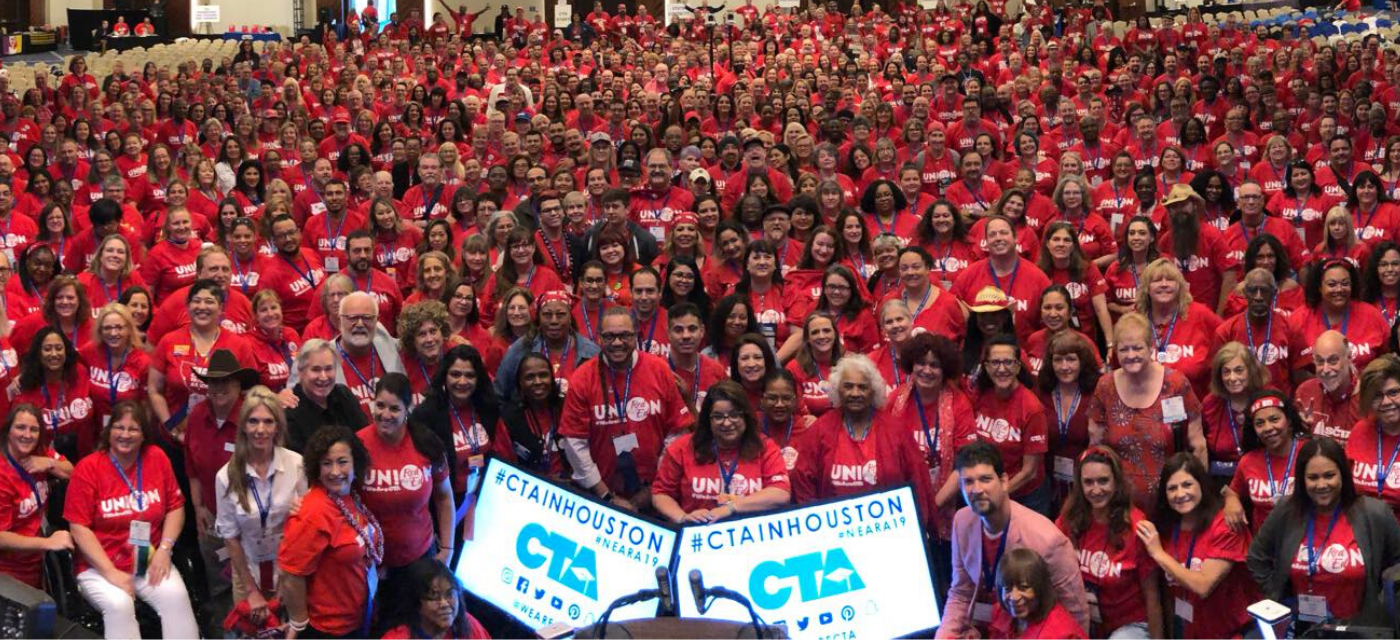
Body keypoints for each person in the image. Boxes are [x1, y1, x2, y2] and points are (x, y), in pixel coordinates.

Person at [64, 401, 200, 640]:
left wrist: (165, 549)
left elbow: (176, 507)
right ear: (109, 431)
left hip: (147, 560)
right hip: (98, 566)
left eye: (133, 429)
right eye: (119, 427)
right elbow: (79, 527)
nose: (125, 435)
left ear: (144, 434)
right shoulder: (88, 468)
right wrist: (110, 572)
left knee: (176, 597)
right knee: (120, 605)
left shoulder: (156, 457)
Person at [938, 441, 1089, 639]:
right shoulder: (962, 521)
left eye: (985, 479)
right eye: (968, 482)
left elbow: (1075, 613)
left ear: (1004, 482)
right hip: (987, 629)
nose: (976, 489)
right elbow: (960, 592)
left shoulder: (1047, 540)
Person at [1246, 436, 1400, 630]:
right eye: (1313, 478)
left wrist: (1381, 606)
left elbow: (1397, 567)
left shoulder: (1375, 513)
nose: (1321, 485)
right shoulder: (1287, 510)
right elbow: (1255, 557)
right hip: (1303, 628)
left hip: (1361, 629)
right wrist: (1277, 594)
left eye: (1329, 475)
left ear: (1343, 474)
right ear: (1302, 480)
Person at [560, 307, 693, 511]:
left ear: (636, 335)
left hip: (658, 494)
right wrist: (604, 495)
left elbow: (677, 433)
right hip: (598, 497)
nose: (617, 343)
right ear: (598, 338)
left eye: (624, 335)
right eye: (609, 336)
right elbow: (575, 443)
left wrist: (656, 487)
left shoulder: (659, 370)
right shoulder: (582, 378)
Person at [884, 332, 978, 595]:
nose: (926, 370)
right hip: (904, 508)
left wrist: (930, 509)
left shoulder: (959, 404)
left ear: (945, 369)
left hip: (945, 509)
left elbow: (964, 463)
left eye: (934, 365)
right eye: (921, 363)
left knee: (941, 582)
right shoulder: (895, 400)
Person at [1088, 313, 1206, 512]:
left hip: (1173, 501)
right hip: (1119, 504)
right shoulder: (1105, 386)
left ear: (1151, 348)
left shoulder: (1175, 384)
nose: (1131, 355)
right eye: (1124, 349)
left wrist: (1200, 497)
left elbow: (1198, 445)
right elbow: (1096, 446)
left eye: (1137, 348)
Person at [1133, 452, 1259, 639]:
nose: (1180, 494)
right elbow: (1169, 593)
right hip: (1187, 630)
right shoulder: (1166, 529)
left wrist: (1158, 553)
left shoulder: (1225, 525)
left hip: (1231, 633)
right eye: (1172, 488)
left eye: (1187, 484)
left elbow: (1203, 586)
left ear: (1201, 484)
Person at [791, 354, 935, 515]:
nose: (855, 393)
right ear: (837, 389)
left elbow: (918, 482)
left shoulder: (896, 431)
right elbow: (803, 482)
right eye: (848, 386)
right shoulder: (819, 430)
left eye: (862, 387)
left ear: (873, 391)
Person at [214, 386, 307, 631]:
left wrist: (287, 582)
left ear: (278, 426)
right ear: (243, 426)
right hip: (247, 570)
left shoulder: (297, 465)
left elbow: (306, 525)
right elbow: (230, 538)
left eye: (268, 422)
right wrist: (251, 591)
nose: (261, 430)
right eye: (253, 422)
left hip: (291, 569)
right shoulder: (226, 476)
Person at [278, 426, 384, 639]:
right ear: (317, 467)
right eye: (327, 463)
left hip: (357, 617)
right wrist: (299, 623)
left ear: (356, 464)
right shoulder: (313, 511)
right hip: (329, 629)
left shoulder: (350, 497)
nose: (335, 472)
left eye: (342, 461)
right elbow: (290, 574)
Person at [1056, 446, 1162, 639]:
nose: (1096, 489)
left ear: (1116, 482)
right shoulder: (1068, 520)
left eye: (1103, 481)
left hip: (1130, 625)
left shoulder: (1137, 527)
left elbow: (1152, 595)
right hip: (1082, 619)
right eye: (1088, 482)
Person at [652, 380, 791, 523]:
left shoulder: (765, 447)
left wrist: (731, 508)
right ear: (708, 419)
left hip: (749, 537)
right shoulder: (682, 447)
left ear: (746, 416)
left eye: (734, 415)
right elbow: (661, 493)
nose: (727, 423)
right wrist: (682, 517)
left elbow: (780, 493)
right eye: (718, 417)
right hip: (697, 534)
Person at [357, 373, 454, 572]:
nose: (385, 414)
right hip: (371, 562)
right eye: (380, 405)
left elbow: (444, 498)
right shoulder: (356, 445)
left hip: (421, 557)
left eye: (394, 408)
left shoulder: (428, 445)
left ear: (407, 410)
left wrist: (447, 548)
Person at [148, 279, 255, 433]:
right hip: (175, 435)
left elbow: (248, 392)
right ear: (187, 306)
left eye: (209, 301)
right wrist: (170, 427)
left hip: (221, 436)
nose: (202, 307)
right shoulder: (169, 341)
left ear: (221, 309)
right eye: (196, 301)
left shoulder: (239, 345)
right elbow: (154, 389)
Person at [974, 334, 1052, 516]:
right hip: (990, 491)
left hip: (1027, 497)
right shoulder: (980, 396)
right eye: (995, 362)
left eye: (1008, 362)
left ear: (1018, 366)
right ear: (986, 367)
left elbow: (1029, 471)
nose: (1002, 369)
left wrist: (997, 494)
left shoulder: (1032, 408)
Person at [0, 404, 74, 589]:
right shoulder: (2, 474)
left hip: (38, 563)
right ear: (8, 430)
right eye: (20, 427)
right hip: (8, 572)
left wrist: (49, 463)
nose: (27, 435)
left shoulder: (39, 452)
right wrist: (47, 543)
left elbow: (73, 471)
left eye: (34, 429)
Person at [1226, 391, 1311, 534]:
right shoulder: (1248, 461)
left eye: (1274, 419)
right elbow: (1232, 491)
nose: (1268, 428)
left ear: (1289, 422)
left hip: (1306, 541)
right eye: (1260, 423)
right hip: (1264, 547)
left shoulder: (1310, 453)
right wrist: (1230, 500)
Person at [283, 339, 371, 452]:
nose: (323, 377)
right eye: (316, 370)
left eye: (328, 369)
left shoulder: (345, 396)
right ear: (301, 372)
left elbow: (365, 441)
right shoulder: (290, 413)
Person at [378, 558, 491, 640]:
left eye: (450, 594)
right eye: (434, 596)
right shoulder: (397, 637)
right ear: (416, 603)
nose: (444, 603)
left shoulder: (468, 625)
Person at [989, 548, 1088, 639]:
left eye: (1023, 588)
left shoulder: (1063, 633)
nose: (1014, 597)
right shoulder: (1001, 614)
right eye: (1007, 588)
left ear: (1040, 588)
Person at [1346, 353, 1400, 519]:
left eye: (1393, 392)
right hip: (1362, 530)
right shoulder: (1360, 430)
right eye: (1377, 396)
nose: (1386, 402)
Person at [499, 353, 566, 478]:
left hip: (571, 488)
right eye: (530, 377)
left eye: (543, 375)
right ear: (520, 382)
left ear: (552, 378)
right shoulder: (509, 418)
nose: (538, 382)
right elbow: (506, 465)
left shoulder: (566, 409)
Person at [1295, 330, 1360, 445]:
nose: (1325, 370)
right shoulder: (1305, 392)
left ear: (1349, 357)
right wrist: (1304, 431)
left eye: (1333, 360)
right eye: (1320, 361)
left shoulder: (1366, 396)